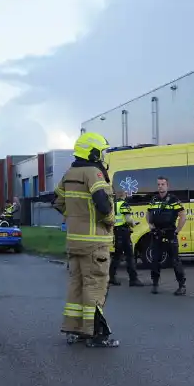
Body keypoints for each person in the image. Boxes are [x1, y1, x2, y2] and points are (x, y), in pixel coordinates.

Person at [53, 131, 118, 348]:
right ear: (92, 152)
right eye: (101, 151)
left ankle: (75, 328)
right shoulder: (93, 173)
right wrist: (110, 220)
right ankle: (96, 333)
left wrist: (73, 217)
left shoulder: (69, 173)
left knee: (76, 286)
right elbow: (103, 202)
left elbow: (57, 201)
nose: (103, 156)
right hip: (94, 242)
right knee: (95, 287)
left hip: (74, 241)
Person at [146, 176, 187, 296]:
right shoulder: (154, 199)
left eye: (163, 184)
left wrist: (177, 231)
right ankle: (155, 284)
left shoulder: (173, 199)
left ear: (167, 186)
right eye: (158, 184)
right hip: (157, 234)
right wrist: (150, 225)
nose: (160, 186)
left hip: (170, 233)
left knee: (175, 261)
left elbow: (183, 216)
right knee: (155, 260)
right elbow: (148, 213)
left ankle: (182, 286)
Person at [109, 193, 144, 287]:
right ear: (124, 196)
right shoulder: (124, 204)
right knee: (130, 256)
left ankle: (111, 277)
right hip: (124, 232)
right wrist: (134, 223)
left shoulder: (113, 204)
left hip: (116, 231)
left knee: (117, 255)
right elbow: (128, 219)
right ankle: (133, 279)